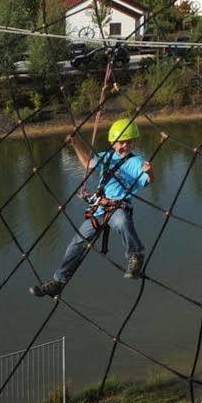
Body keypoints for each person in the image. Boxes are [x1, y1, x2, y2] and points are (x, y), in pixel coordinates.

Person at [32, 105, 153, 298]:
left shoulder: (135, 161)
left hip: (117, 207)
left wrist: (150, 171)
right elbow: (88, 163)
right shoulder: (107, 157)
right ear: (113, 143)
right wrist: (76, 143)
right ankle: (58, 281)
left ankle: (136, 255)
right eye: (122, 142)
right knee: (76, 243)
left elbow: (148, 179)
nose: (126, 146)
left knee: (122, 222)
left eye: (130, 142)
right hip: (99, 210)